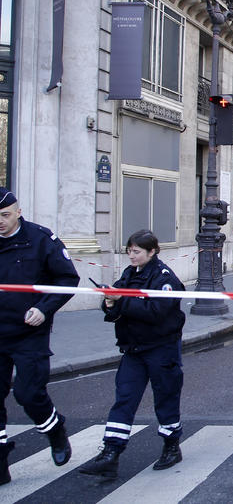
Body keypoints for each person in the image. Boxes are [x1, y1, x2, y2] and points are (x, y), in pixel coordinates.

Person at [79, 230, 186, 478]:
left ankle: (171, 446)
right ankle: (111, 453)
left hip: (161, 349)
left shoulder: (164, 278)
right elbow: (118, 305)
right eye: (129, 251)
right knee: (124, 399)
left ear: (152, 251)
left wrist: (120, 301)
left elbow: (157, 311)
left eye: (136, 251)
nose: (131, 256)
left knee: (166, 398)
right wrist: (109, 303)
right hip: (133, 349)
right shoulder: (129, 274)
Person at [0, 187, 78, 485]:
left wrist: (44, 309)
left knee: (28, 393)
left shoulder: (40, 239)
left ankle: (55, 430)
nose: (1, 221)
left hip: (28, 331)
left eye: (6, 215)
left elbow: (68, 279)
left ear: (18, 212)